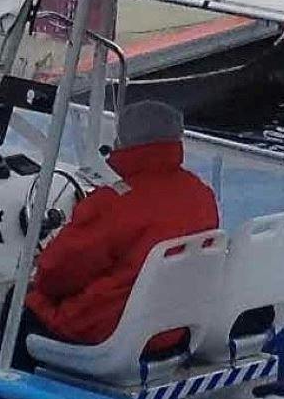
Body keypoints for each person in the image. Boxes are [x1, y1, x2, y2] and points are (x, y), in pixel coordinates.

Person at [17, 99, 219, 365]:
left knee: (21, 300)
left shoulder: (112, 202)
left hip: (109, 330)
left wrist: (39, 269)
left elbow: (55, 276)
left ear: (122, 143)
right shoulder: (201, 195)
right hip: (173, 330)